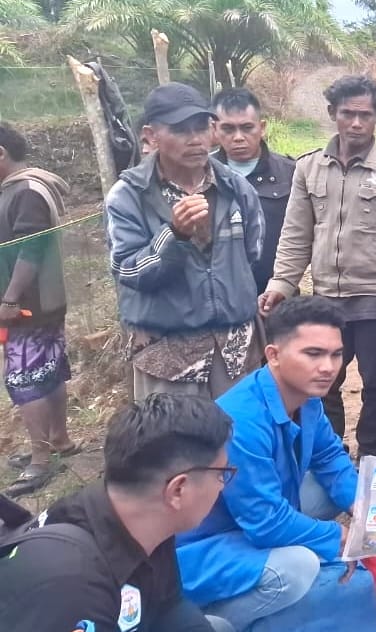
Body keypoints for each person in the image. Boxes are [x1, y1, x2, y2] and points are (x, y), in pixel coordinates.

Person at [260, 74, 376, 457]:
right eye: (348, 114)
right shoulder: (310, 168)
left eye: (365, 115)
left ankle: (373, 453)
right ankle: (327, 452)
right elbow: (296, 233)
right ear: (333, 113)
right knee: (322, 381)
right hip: (326, 301)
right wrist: (281, 283)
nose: (357, 123)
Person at [177, 296, 359, 632]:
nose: (328, 367)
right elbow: (265, 523)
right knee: (298, 568)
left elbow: (330, 457)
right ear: (273, 355)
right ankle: (202, 623)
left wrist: (362, 506)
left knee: (334, 489)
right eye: (313, 354)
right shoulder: (241, 422)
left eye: (336, 354)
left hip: (252, 514)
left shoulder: (307, 399)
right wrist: (338, 537)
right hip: (204, 545)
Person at [0, 393, 237, 632]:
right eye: (221, 474)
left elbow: (168, 607)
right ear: (178, 490)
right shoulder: (73, 585)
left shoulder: (146, 520)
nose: (222, 485)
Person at [106, 82, 265, 402]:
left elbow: (252, 251)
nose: (195, 139)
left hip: (233, 350)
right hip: (169, 356)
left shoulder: (235, 187)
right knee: (175, 433)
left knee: (238, 430)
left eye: (201, 127)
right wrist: (174, 235)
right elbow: (127, 272)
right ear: (150, 135)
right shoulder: (129, 195)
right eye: (180, 129)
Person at [0, 124, 77, 497]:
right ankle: (59, 440)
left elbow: (31, 249)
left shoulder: (26, 191)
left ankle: (40, 460)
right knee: (49, 371)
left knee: (24, 379)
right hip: (41, 303)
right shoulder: (19, 188)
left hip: (28, 307)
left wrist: (9, 300)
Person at [212, 87, 296, 295]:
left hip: (275, 295)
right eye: (228, 129)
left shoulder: (290, 174)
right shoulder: (201, 174)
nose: (238, 137)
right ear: (214, 129)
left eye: (247, 128)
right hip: (218, 296)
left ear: (262, 127)